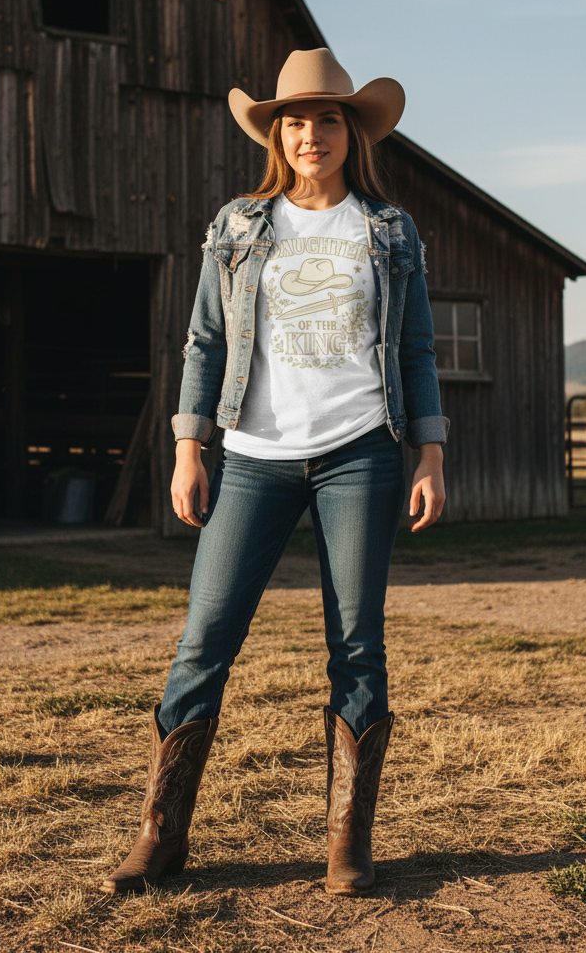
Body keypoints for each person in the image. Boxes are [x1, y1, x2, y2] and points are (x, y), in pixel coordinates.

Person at [101, 48, 448, 898]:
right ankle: (160, 835)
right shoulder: (239, 225)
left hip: (361, 454)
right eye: (294, 121)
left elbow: (415, 349)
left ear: (352, 132)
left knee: (357, 646)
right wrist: (189, 447)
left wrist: (430, 452)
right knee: (204, 640)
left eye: (327, 119)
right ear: (276, 134)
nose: (310, 135)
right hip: (253, 459)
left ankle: (347, 842)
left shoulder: (388, 230)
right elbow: (205, 342)